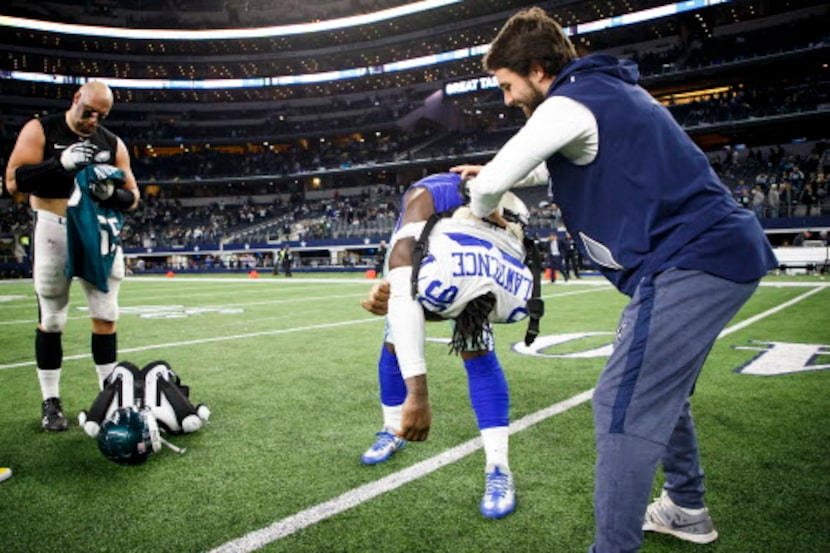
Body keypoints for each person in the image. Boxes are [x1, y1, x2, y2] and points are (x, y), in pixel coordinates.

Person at [451, 8, 776, 551]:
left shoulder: (566, 104)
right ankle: (686, 508)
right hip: (711, 255)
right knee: (659, 391)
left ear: (536, 69)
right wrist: (492, 174)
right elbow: (551, 159)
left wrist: (482, 202)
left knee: (619, 403)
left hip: (692, 259)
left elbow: (494, 189)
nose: (506, 99)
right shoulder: (597, 94)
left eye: (507, 85)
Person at [359, 172, 536, 519]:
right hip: (416, 246)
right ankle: (392, 427)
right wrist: (418, 396)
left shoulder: (503, 228)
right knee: (397, 336)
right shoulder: (427, 198)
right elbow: (405, 276)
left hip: (460, 244)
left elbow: (479, 308)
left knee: (476, 343)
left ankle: (498, 466)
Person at [5, 81, 139, 431]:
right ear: (75, 97)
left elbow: (133, 196)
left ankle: (108, 398)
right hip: (53, 226)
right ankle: (51, 401)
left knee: (106, 315)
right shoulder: (41, 128)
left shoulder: (111, 142)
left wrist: (109, 193)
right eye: (89, 111)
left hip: (98, 230)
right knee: (51, 319)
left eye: (102, 115)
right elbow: (13, 181)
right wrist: (59, 164)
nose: (93, 120)